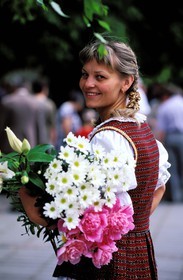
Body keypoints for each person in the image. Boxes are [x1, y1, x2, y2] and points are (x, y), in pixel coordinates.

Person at [19, 38, 171, 279]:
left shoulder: (108, 138)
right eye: (84, 74)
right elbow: (158, 189)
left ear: (126, 82)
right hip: (137, 255)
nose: (87, 84)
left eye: (100, 77)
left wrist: (28, 201)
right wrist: (134, 227)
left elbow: (82, 220)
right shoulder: (140, 127)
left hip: (107, 265)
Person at [155, 83, 183, 202]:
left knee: (173, 168)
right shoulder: (181, 102)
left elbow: (161, 129)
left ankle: (176, 197)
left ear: (166, 95)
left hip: (171, 137)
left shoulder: (165, 106)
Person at [0, 74, 39, 153]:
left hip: (9, 146)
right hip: (31, 143)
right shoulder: (35, 102)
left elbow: (1, 124)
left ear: (14, 86)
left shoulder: (7, 102)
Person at [32, 76, 57, 145]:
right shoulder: (49, 104)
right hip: (45, 142)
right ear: (44, 88)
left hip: (30, 141)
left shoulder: (28, 103)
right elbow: (52, 126)